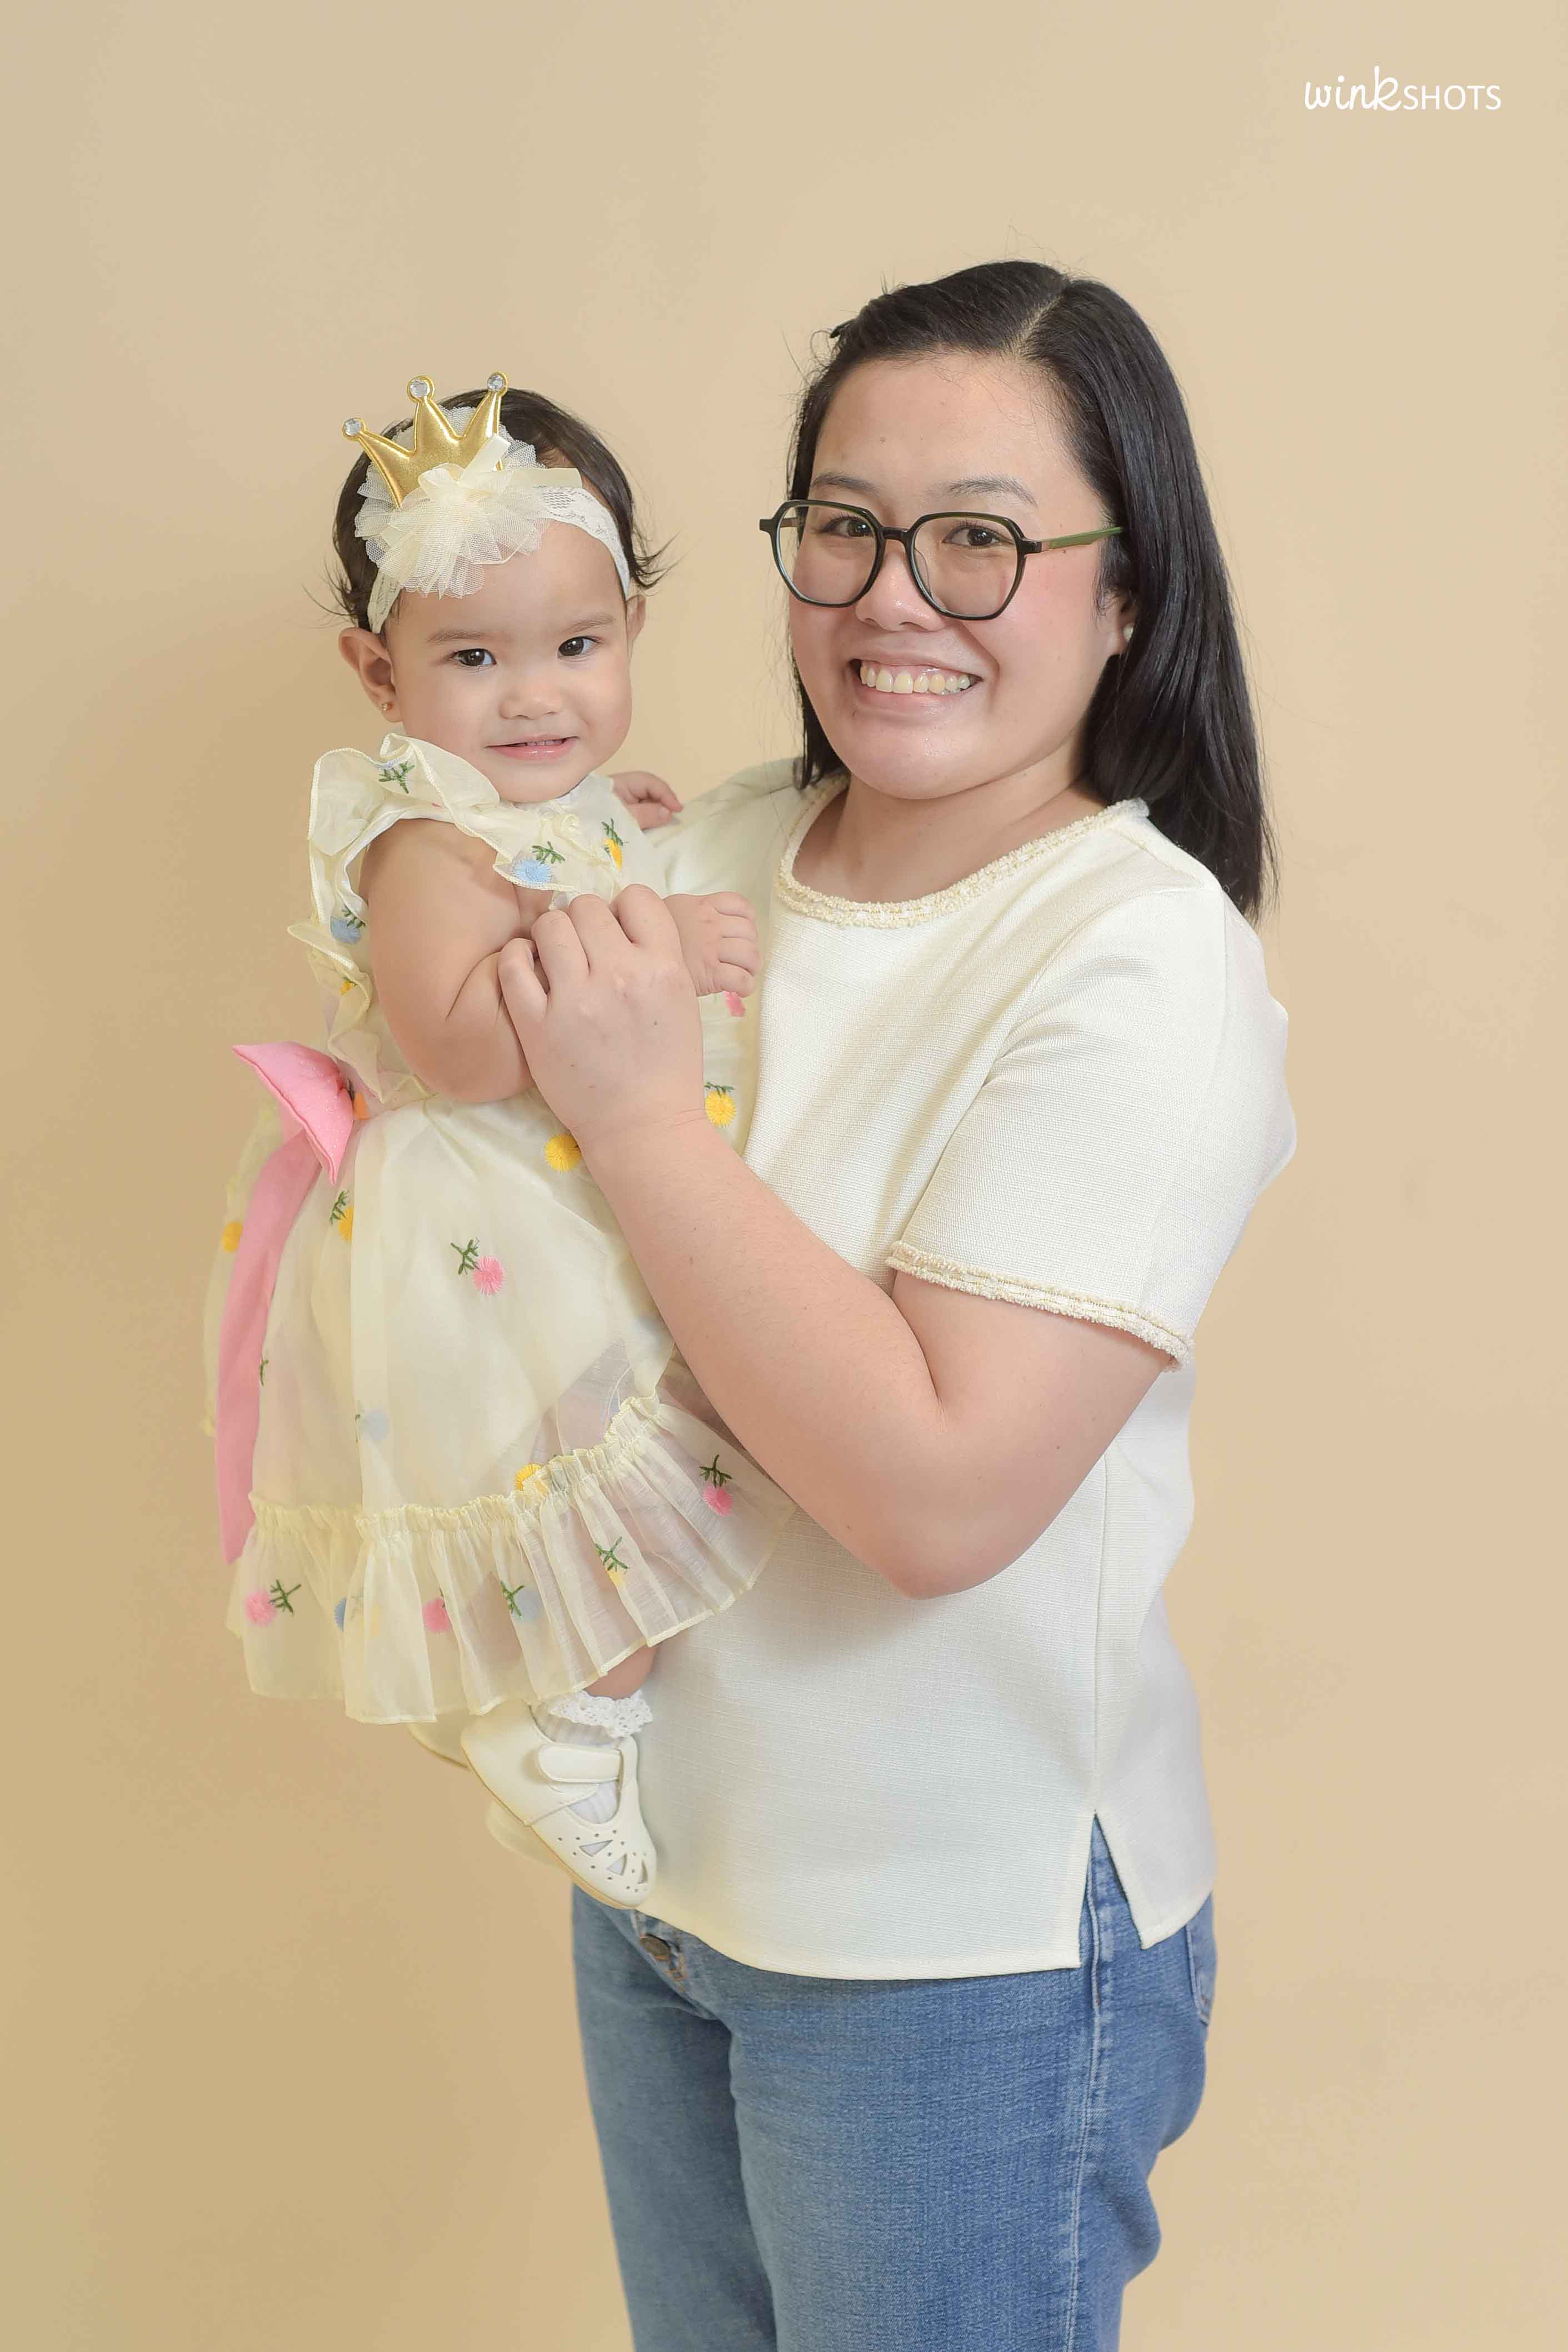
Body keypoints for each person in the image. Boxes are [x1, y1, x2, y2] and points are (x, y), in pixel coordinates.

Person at [490, 262, 1297, 2349]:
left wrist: (640, 1118)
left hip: (956, 1947)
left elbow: (940, 1493)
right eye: (843, 526)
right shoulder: (713, 851)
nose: (893, 597)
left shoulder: (1139, 956)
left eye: (981, 541)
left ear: (1127, 593)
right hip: (669, 1884)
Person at [203, 374, 793, 1906]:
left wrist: (604, 829)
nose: (537, 699)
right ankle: (561, 1731)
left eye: (578, 649)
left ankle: (569, 1707)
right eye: (475, 658)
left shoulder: (528, 804)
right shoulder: (423, 839)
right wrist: (644, 931)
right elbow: (457, 1044)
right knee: (602, 1453)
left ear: (631, 631)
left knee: (638, 1435)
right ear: (379, 672)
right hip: (482, 1208)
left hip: (555, 1175)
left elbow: (548, 859)